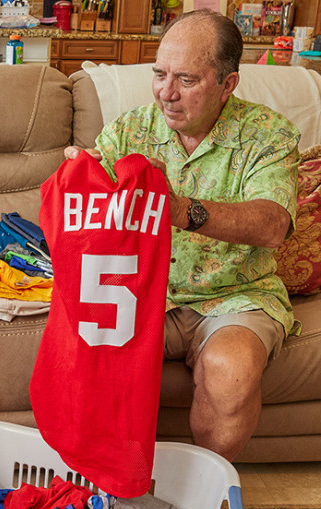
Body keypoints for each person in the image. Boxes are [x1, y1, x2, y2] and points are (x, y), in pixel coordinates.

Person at [65, 9, 300, 461]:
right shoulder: (131, 129)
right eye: (159, 75)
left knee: (230, 371)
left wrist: (177, 210)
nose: (166, 93)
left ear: (227, 85)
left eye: (187, 80)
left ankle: (201, 494)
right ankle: (110, 483)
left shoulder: (268, 136)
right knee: (86, 360)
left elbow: (273, 224)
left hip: (236, 294)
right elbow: (95, 217)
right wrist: (86, 175)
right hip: (139, 292)